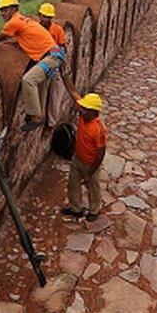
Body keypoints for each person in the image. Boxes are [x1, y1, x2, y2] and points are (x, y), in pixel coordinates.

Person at [0, 0, 65, 132]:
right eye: (1, 10)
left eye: (5, 9)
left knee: (28, 80)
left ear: (14, 9)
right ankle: (40, 114)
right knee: (41, 83)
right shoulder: (24, 19)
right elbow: (22, 37)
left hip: (51, 57)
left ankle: (36, 117)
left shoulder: (13, 22)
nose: (2, 13)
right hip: (51, 56)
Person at [60, 92, 107, 222]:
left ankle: (94, 209)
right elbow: (73, 92)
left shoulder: (98, 130)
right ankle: (76, 208)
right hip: (77, 158)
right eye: (82, 108)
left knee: (93, 187)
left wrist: (89, 173)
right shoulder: (83, 116)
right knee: (73, 183)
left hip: (90, 164)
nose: (80, 110)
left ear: (93, 112)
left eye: (85, 109)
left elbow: (101, 153)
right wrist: (65, 76)